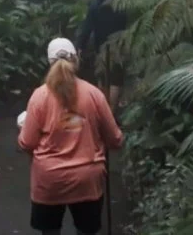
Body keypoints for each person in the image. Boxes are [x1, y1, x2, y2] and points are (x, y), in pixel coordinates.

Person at [15, 36, 124, 235]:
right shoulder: (94, 94)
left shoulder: (40, 96)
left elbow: (27, 143)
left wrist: (23, 130)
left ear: (49, 63)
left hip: (49, 181)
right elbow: (115, 139)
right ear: (76, 59)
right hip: (87, 180)